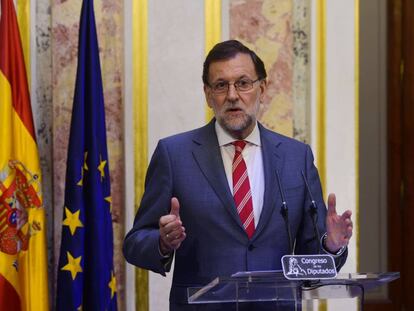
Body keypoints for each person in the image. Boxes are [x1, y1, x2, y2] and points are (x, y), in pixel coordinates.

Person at [123, 40, 353, 311]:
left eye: (243, 83)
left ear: (262, 88)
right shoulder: (174, 155)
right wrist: (162, 242)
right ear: (208, 95)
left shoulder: (296, 157)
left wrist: (331, 245)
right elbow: (135, 243)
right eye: (221, 85)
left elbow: (311, 255)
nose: (233, 95)